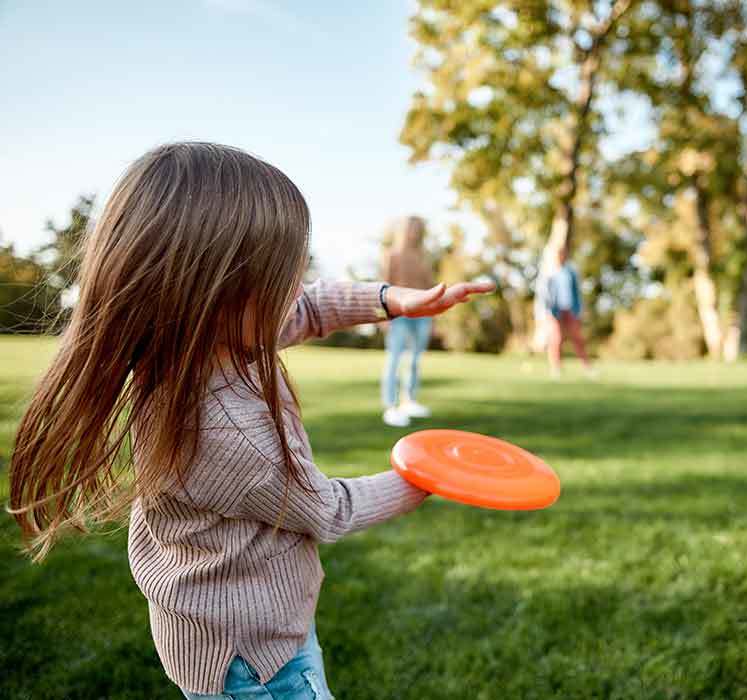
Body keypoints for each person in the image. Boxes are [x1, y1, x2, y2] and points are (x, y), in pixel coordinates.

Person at [6, 142, 493, 699]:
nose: (297, 288)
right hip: (255, 660)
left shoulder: (196, 342)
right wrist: (428, 476)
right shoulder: (224, 433)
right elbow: (330, 510)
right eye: (282, 276)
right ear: (216, 290)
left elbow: (309, 307)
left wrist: (390, 299)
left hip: (218, 632)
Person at [380, 216, 434, 427]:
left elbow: (429, 287)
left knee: (414, 360)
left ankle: (409, 400)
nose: (414, 232)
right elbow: (382, 286)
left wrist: (433, 318)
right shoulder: (391, 255)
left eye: (418, 228)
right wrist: (382, 316)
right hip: (398, 315)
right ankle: (390, 406)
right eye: (411, 228)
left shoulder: (423, 256)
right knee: (394, 359)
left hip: (422, 315)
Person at [535, 241, 592, 377]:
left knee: (577, 338)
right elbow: (542, 295)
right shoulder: (548, 272)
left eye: (563, 254)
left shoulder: (570, 271)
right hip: (554, 310)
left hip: (570, 309)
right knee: (556, 338)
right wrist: (542, 314)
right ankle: (556, 368)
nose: (561, 256)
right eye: (558, 254)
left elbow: (576, 292)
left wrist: (579, 310)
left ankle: (587, 367)